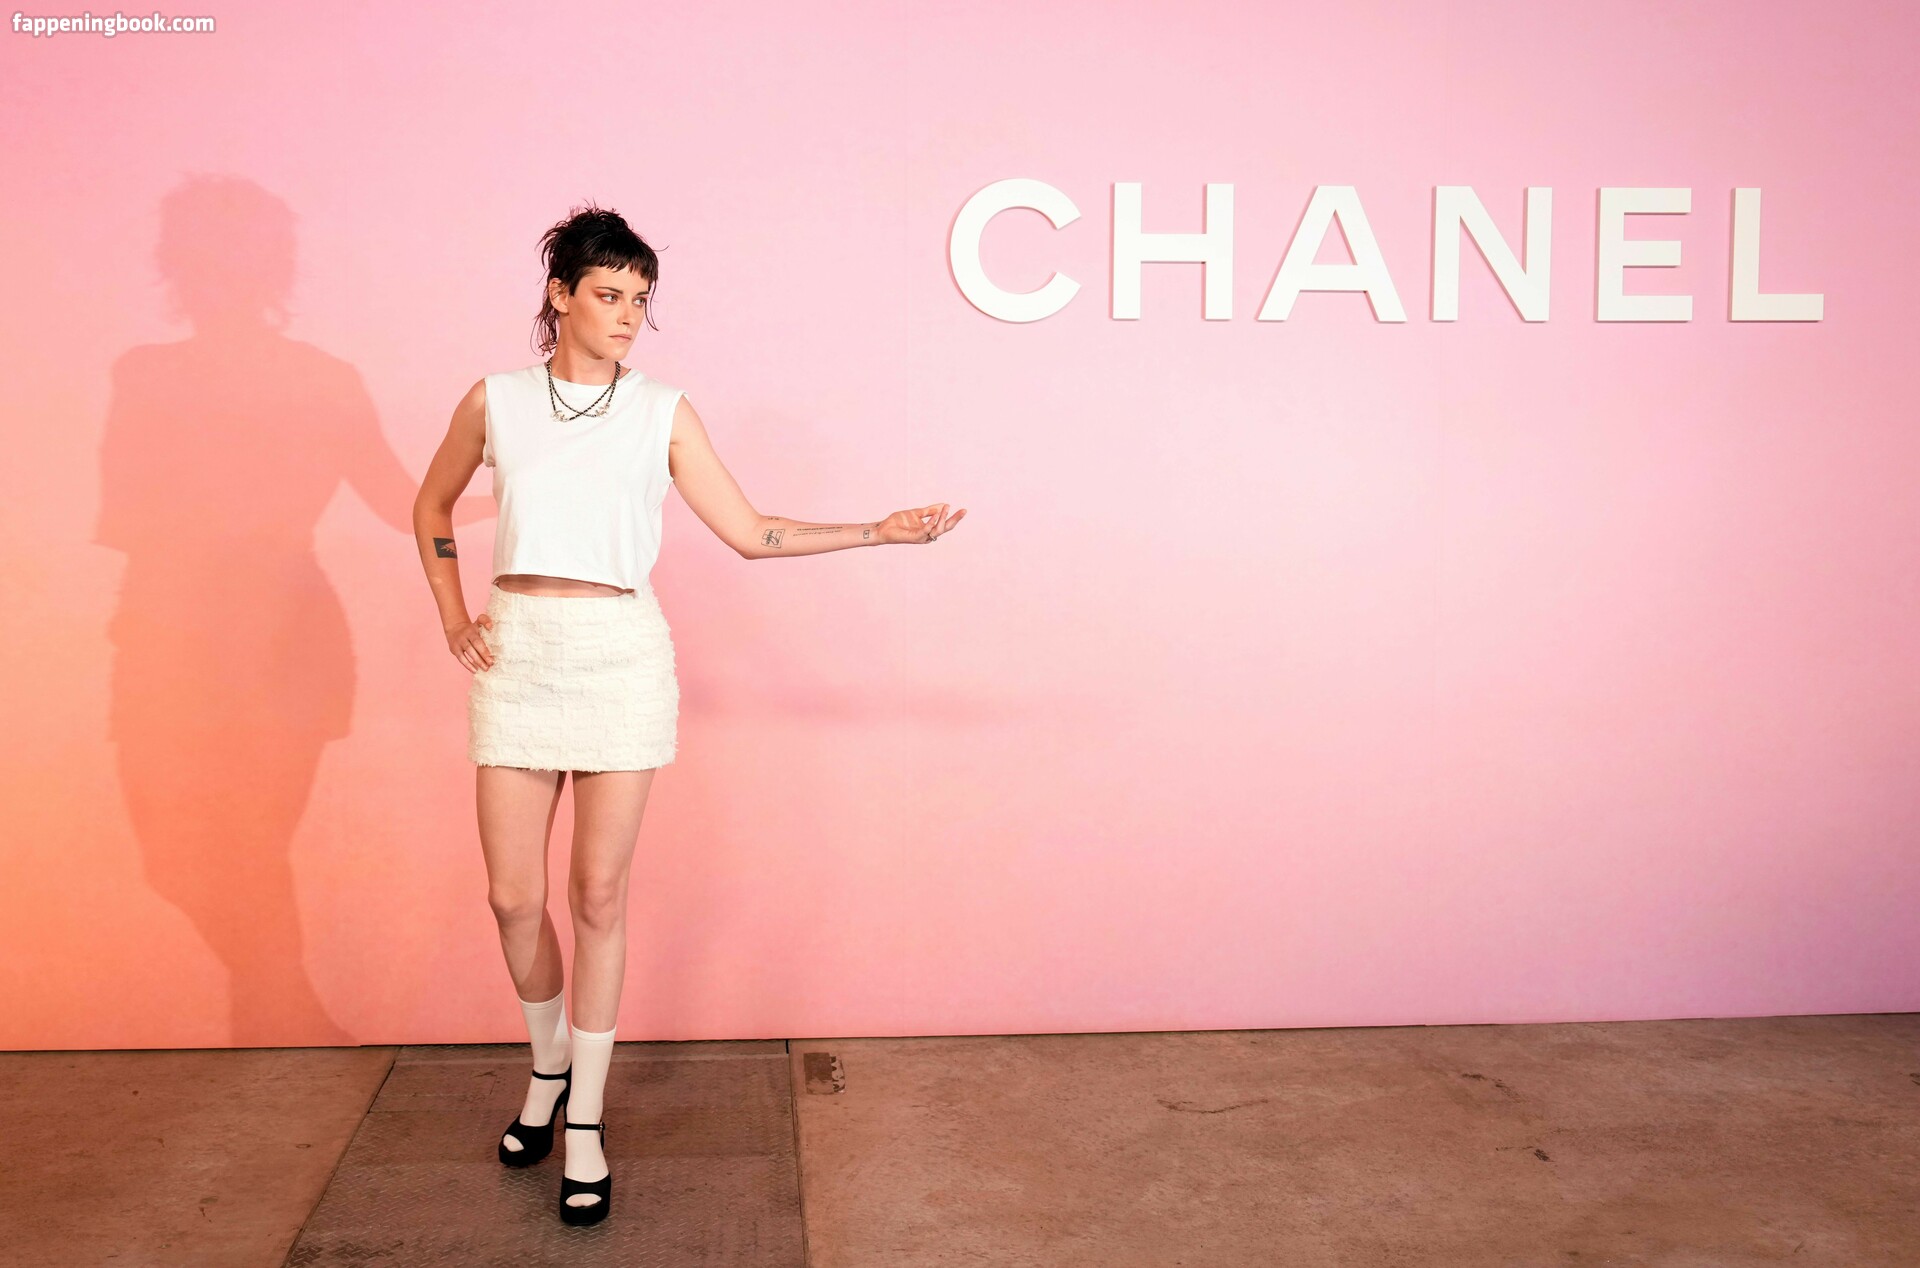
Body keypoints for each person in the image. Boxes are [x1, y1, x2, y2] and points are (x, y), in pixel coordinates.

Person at [410, 203, 966, 1226]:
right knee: (512, 897)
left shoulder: (663, 411)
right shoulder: (496, 402)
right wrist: (454, 616)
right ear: (560, 295)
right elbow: (431, 504)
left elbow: (751, 531)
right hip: (520, 653)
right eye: (610, 294)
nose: (629, 314)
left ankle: (584, 1117)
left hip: (622, 655)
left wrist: (877, 532)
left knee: (598, 893)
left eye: (641, 298)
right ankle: (546, 1067)